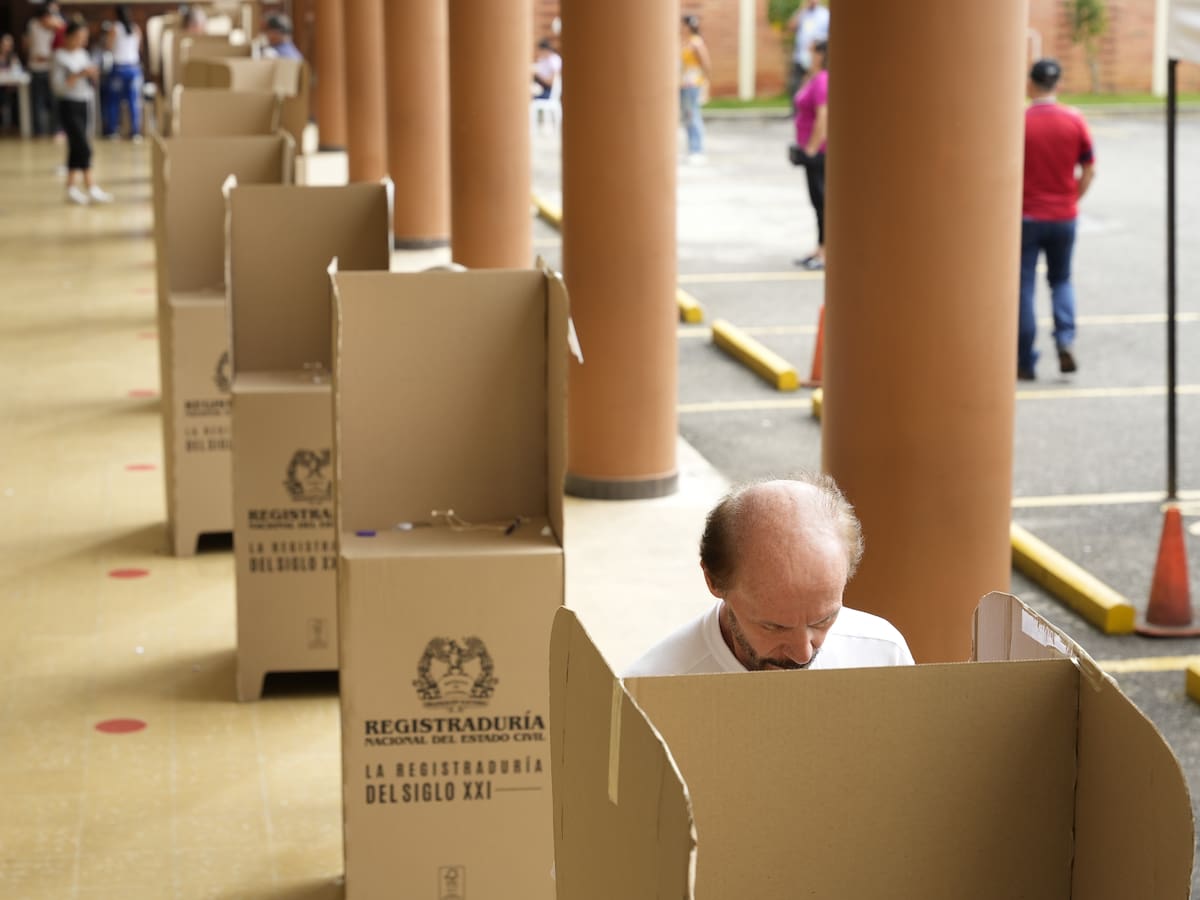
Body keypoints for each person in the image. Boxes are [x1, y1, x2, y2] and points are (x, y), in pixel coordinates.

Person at [625, 474, 915, 676]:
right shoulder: (650, 691)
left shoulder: (882, 653)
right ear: (714, 581)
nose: (803, 654)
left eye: (824, 620)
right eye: (775, 627)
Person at [1018, 59, 1095, 381]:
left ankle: (1025, 360)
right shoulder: (1073, 120)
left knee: (1023, 286)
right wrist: (1072, 198)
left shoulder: (1020, 122)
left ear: (1030, 84)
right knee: (1061, 280)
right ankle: (1064, 339)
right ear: (1058, 84)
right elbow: (1089, 169)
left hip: (1027, 216)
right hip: (1063, 215)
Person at [53, 19, 112, 205]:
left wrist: (91, 74)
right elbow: (58, 87)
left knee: (76, 147)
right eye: (78, 37)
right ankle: (91, 186)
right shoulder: (59, 56)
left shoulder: (83, 54)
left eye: (84, 38)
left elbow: (89, 81)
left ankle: (71, 187)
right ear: (68, 37)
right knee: (84, 147)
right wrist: (78, 74)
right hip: (68, 104)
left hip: (84, 102)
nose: (81, 41)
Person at [792, 39, 828, 270]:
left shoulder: (823, 80)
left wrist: (813, 147)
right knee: (816, 201)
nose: (809, 55)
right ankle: (819, 246)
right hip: (809, 149)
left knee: (823, 201)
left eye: (813, 52)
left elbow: (823, 115)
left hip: (820, 152)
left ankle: (825, 252)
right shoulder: (814, 78)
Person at [24, 2, 65, 137]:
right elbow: (30, 47)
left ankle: (57, 130)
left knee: (54, 101)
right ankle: (39, 131)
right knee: (37, 103)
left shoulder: (58, 24)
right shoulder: (33, 24)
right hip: (36, 69)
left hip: (51, 69)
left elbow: (63, 29)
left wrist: (55, 23)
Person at [104, 5, 143, 140]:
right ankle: (135, 132)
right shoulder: (135, 28)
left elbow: (108, 47)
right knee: (133, 101)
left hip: (119, 68)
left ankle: (113, 130)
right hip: (134, 68)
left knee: (114, 101)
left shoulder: (114, 28)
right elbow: (139, 47)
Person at [786, 0, 829, 111]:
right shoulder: (802, 13)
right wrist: (801, 10)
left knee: (816, 85)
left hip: (817, 58)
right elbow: (790, 27)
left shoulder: (825, 14)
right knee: (796, 85)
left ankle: (814, 111)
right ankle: (797, 112)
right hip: (801, 57)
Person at [679, 14, 710, 164]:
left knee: (693, 115)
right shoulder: (685, 43)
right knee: (687, 117)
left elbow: (705, 64)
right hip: (684, 84)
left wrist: (705, 85)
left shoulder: (696, 43)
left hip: (694, 84)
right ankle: (692, 147)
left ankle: (697, 149)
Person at [0, 34, 23, 134]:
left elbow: (18, 71)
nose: (8, 46)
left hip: (11, 88)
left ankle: (14, 125)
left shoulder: (13, 57)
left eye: (10, 44)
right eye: (6, 43)